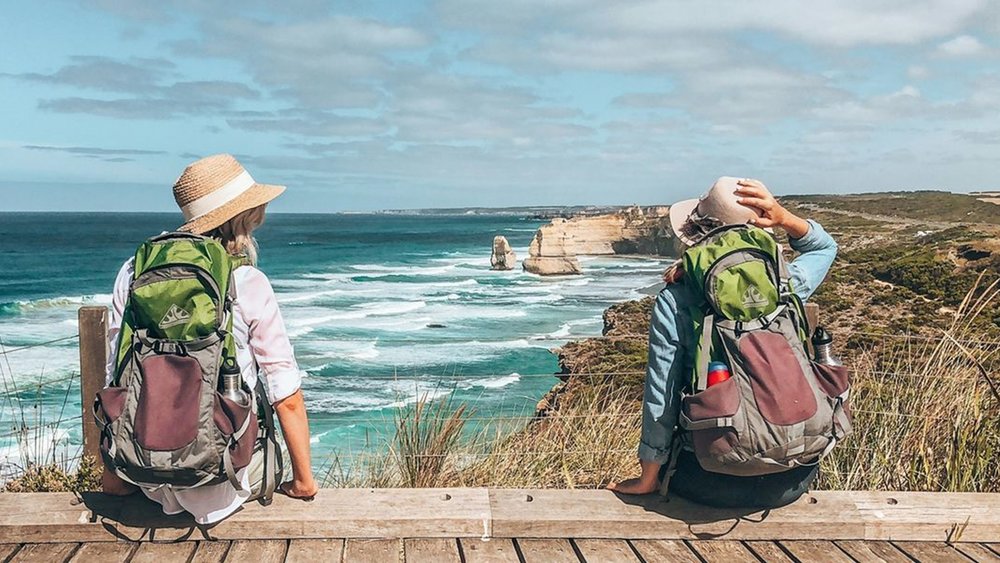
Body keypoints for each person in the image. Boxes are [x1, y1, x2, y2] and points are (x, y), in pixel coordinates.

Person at [102, 154, 319, 523]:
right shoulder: (247, 281)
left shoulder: (133, 271)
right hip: (225, 478)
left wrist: (115, 475)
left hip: (144, 475)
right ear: (244, 215)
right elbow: (286, 395)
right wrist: (304, 483)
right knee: (270, 458)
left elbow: (116, 373)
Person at [608, 177, 838, 507]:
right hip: (793, 475)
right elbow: (824, 247)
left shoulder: (676, 298)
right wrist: (784, 218)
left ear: (696, 232)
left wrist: (648, 478)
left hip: (708, 479)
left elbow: (662, 398)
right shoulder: (786, 282)